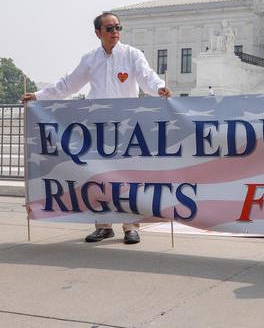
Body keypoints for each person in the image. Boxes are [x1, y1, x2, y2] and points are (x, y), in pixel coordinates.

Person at [23, 12, 171, 245]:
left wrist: (160, 88)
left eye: (117, 28)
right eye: (110, 29)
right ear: (98, 33)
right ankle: (103, 226)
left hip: (126, 129)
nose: (115, 32)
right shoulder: (90, 59)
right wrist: (38, 96)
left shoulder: (132, 55)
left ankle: (130, 226)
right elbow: (67, 85)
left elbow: (147, 77)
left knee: (127, 178)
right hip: (98, 130)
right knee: (99, 177)